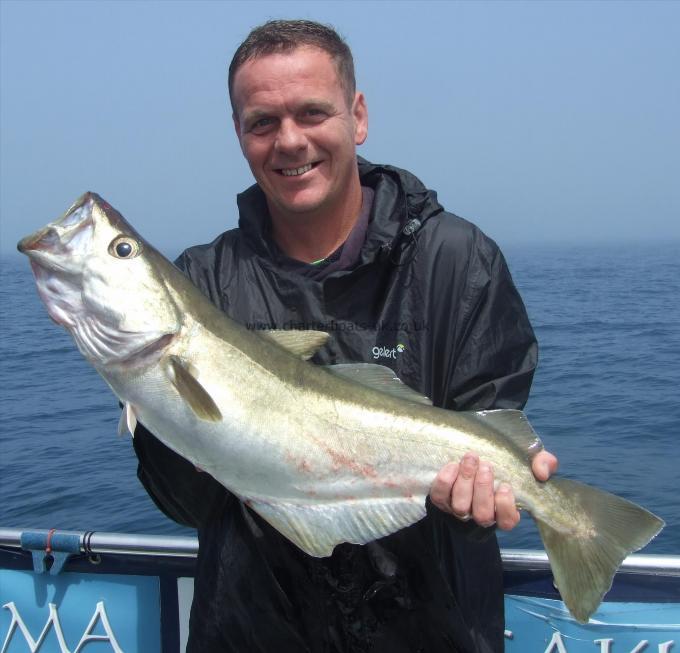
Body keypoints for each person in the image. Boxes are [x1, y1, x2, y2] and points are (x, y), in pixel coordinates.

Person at [133, 19, 557, 652]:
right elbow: (186, 503)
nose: (290, 141)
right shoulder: (199, 283)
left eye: (312, 112)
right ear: (240, 136)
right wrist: (151, 393)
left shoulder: (456, 261)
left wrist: (480, 504)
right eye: (262, 123)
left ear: (358, 117)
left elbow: (486, 436)